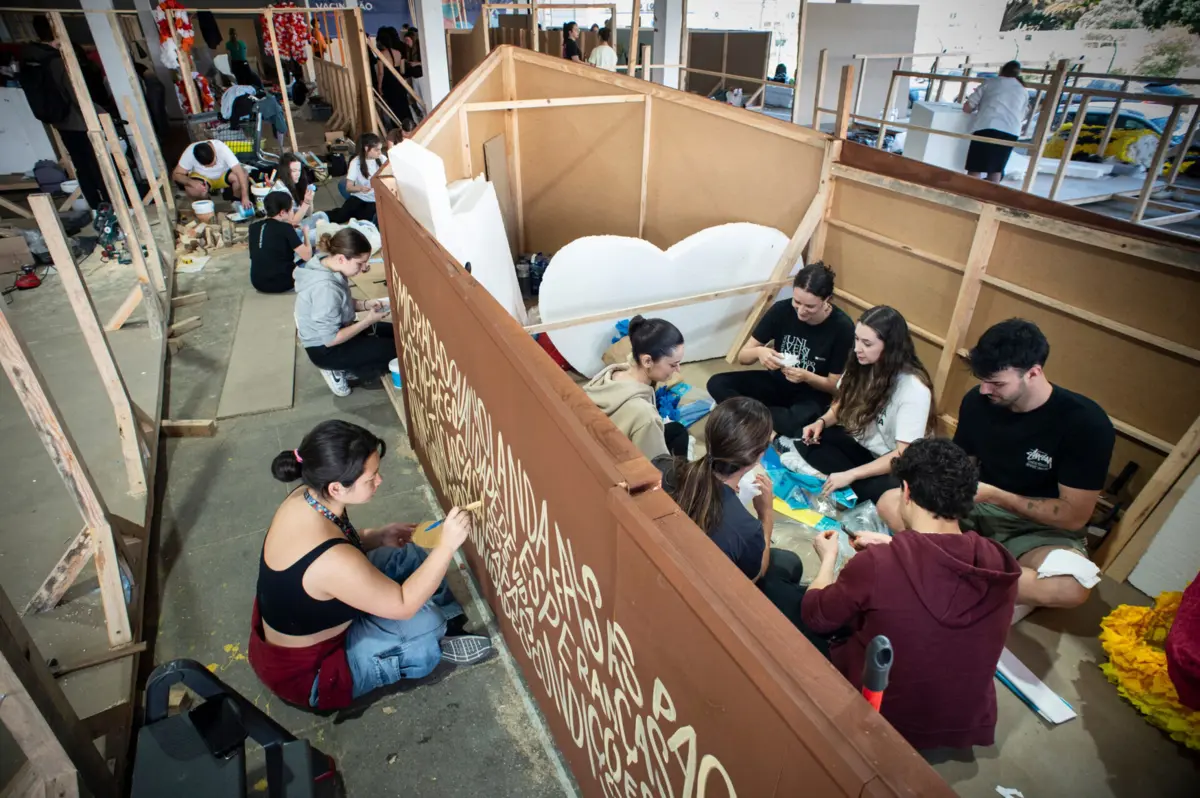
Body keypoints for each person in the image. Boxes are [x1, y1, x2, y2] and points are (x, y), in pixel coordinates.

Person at [248, 420, 492, 710]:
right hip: (314, 672)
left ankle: (450, 624)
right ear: (337, 488)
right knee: (426, 625)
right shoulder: (331, 560)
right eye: (371, 478)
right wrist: (448, 546)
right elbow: (403, 604)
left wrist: (377, 536)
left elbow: (338, 543)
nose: (380, 481)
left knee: (406, 552)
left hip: (315, 614)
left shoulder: (307, 496)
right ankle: (434, 638)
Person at [800, 438, 1020, 751]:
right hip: (962, 723)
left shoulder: (877, 565)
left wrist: (828, 559)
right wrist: (894, 546)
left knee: (789, 597)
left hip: (885, 721)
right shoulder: (998, 560)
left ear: (905, 492)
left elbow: (816, 615)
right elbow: (943, 569)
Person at [880, 319, 1114, 610]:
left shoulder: (1085, 423)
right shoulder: (978, 402)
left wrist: (996, 496)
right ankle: (970, 574)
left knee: (1070, 587)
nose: (985, 390)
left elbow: (1073, 517)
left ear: (1033, 373)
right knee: (890, 502)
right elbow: (959, 467)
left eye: (997, 383)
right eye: (982, 380)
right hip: (975, 508)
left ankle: (948, 569)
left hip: (1039, 529)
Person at [793, 306, 934, 504]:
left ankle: (850, 484)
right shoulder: (861, 363)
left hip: (892, 464)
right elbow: (843, 403)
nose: (858, 348)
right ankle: (850, 485)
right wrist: (821, 422)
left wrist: (852, 474)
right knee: (807, 438)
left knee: (887, 494)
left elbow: (903, 455)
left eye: (867, 343)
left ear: (890, 347)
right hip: (863, 448)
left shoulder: (913, 389)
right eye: (857, 339)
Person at [656, 397, 799, 589]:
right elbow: (754, 577)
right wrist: (766, 516)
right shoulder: (746, 529)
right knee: (790, 563)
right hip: (697, 590)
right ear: (759, 456)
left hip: (656, 563)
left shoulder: (662, 467)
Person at [708, 262, 854, 437]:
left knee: (795, 423)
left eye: (810, 307)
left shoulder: (842, 327)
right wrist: (760, 352)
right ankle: (758, 418)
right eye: (797, 302)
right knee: (717, 383)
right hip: (777, 381)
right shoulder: (781, 310)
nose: (801, 311)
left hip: (811, 393)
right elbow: (743, 357)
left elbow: (834, 387)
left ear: (827, 299)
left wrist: (806, 376)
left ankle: (744, 414)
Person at [19, 16, 108, 210]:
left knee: (81, 165)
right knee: (97, 164)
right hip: (79, 120)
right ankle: (108, 205)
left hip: (60, 121)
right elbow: (76, 95)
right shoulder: (56, 61)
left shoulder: (31, 57)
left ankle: (95, 206)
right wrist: (102, 114)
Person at [294, 227, 393, 396]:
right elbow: (330, 339)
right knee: (393, 351)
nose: (364, 268)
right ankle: (346, 370)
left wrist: (366, 304)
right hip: (325, 349)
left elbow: (342, 302)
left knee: (395, 334)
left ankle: (352, 363)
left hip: (338, 328)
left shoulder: (326, 263)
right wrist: (368, 320)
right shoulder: (325, 288)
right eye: (360, 263)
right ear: (341, 258)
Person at [582, 316, 688, 460]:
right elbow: (656, 467)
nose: (678, 369)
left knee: (677, 431)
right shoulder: (645, 416)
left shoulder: (610, 373)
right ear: (647, 361)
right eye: (673, 364)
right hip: (619, 463)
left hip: (597, 448)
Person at [963, 61, 1029, 182]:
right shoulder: (1023, 90)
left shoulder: (991, 82)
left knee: (975, 167)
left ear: (1002, 70)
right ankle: (992, 192)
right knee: (996, 169)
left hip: (988, 126)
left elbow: (968, 107)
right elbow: (1023, 114)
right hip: (1011, 131)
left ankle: (970, 191)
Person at [250, 192, 313, 294]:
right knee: (318, 257)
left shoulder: (253, 227)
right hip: (283, 283)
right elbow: (307, 256)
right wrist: (306, 233)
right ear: (282, 212)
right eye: (291, 210)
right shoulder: (286, 228)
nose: (292, 212)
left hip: (258, 282)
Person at [173, 139, 251, 209]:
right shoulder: (189, 152)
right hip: (203, 177)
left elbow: (239, 172)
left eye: (214, 162)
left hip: (223, 173)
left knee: (243, 175)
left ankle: (236, 203)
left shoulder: (222, 148)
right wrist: (191, 182)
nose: (212, 166)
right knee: (192, 189)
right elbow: (176, 174)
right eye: (207, 166)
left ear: (213, 150)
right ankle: (207, 207)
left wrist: (245, 196)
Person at [327, 134, 383, 224]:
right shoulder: (356, 162)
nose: (380, 152)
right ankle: (316, 217)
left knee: (365, 221)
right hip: (360, 196)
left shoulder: (382, 159)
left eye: (380, 149)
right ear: (366, 148)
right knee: (340, 216)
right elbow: (349, 187)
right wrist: (360, 188)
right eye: (377, 150)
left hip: (375, 199)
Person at [375, 27, 413, 130]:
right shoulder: (398, 53)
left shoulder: (381, 55)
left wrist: (379, 86)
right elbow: (402, 70)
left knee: (393, 107)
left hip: (388, 83)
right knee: (403, 104)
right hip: (399, 81)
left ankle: (397, 127)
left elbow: (381, 73)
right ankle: (409, 126)